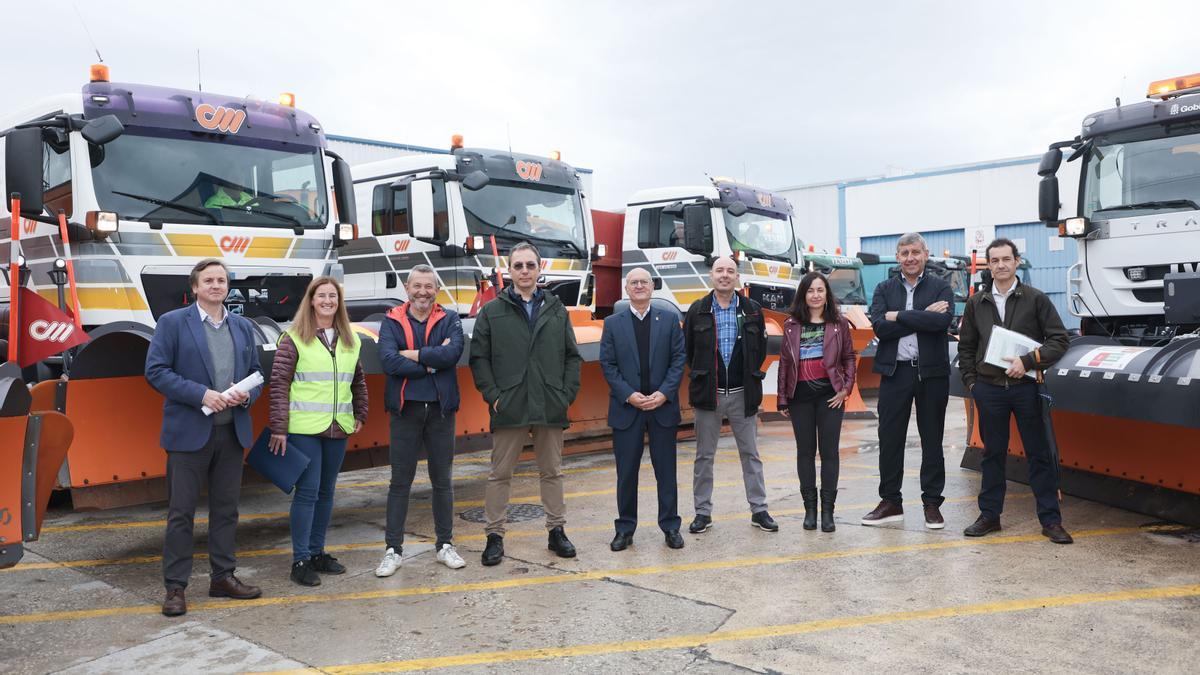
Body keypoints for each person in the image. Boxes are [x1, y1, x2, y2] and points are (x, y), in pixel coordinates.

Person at [145, 258, 263, 617]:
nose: (216, 285)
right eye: (208, 280)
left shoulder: (242, 327)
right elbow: (156, 371)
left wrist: (247, 394)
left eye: (222, 280)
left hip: (231, 432)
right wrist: (202, 394)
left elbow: (257, 372)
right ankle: (176, 588)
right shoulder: (172, 323)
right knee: (181, 514)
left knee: (226, 511)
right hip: (189, 435)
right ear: (194, 287)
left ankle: (222, 577)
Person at [470, 242, 583, 565]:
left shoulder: (556, 310)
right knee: (499, 474)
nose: (523, 271)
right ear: (508, 270)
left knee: (552, 472)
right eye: (517, 266)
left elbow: (571, 357)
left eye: (529, 265)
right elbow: (479, 358)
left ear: (539, 268)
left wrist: (565, 394)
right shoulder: (492, 311)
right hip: (511, 404)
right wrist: (494, 396)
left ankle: (556, 531)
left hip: (549, 402)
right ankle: (494, 536)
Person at [957, 239, 1073, 544]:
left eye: (1005, 259)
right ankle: (989, 516)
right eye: (994, 261)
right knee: (992, 455)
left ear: (1016, 261)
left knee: (1038, 454)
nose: (1000, 265)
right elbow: (966, 347)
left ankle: (1050, 520)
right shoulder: (976, 303)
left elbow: (1059, 340)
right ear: (989, 265)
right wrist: (973, 385)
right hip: (989, 390)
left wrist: (1028, 361)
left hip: (1026, 389)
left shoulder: (1035, 299)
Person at [267, 276, 368, 586]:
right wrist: (279, 428)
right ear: (311, 300)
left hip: (338, 427)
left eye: (333, 297)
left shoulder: (350, 339)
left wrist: (360, 412)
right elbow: (279, 384)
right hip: (304, 429)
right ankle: (300, 560)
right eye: (321, 295)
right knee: (308, 493)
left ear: (339, 303)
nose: (327, 301)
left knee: (327, 493)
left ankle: (317, 552)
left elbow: (357, 380)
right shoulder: (294, 337)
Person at [374, 265, 467, 576]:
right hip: (406, 411)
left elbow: (451, 355)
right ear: (407, 288)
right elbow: (388, 360)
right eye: (417, 286)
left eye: (428, 286)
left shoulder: (450, 318)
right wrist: (429, 363)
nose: (423, 292)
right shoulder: (391, 320)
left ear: (436, 289)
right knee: (400, 482)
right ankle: (393, 550)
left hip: (441, 410)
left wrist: (411, 355)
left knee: (443, 481)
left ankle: (444, 545)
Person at [862, 233, 954, 529]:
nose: (910, 257)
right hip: (895, 371)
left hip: (931, 374)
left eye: (915, 251)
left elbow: (940, 324)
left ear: (926, 254)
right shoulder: (884, 288)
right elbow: (879, 326)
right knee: (890, 439)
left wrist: (898, 316)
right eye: (904, 252)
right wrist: (919, 317)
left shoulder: (941, 286)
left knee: (932, 439)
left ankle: (932, 504)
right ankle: (891, 502)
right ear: (898, 257)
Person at [684, 256, 777, 534]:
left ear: (737, 277)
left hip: (742, 394)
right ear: (711, 275)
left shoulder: (751, 310)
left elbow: (759, 350)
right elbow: (690, 351)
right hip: (708, 395)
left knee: (750, 454)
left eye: (730, 271)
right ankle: (703, 513)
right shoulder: (697, 310)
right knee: (704, 457)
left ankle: (759, 510)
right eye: (719, 270)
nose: (725, 275)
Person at [599, 268, 686, 551]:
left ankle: (671, 526)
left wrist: (663, 394)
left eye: (644, 282)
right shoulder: (613, 323)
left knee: (666, 471)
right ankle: (625, 528)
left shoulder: (670, 320)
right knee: (626, 473)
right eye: (633, 282)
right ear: (627, 289)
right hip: (628, 410)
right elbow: (608, 365)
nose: (639, 286)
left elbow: (678, 361)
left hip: (662, 409)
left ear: (652, 287)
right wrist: (628, 395)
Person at [777, 272, 857, 533]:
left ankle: (827, 513)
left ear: (827, 294)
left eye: (820, 290)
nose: (815, 295)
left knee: (830, 452)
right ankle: (809, 511)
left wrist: (845, 390)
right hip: (800, 396)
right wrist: (782, 399)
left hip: (830, 396)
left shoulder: (838, 324)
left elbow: (848, 358)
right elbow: (786, 365)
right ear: (803, 294)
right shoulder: (791, 325)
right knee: (805, 453)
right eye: (810, 290)